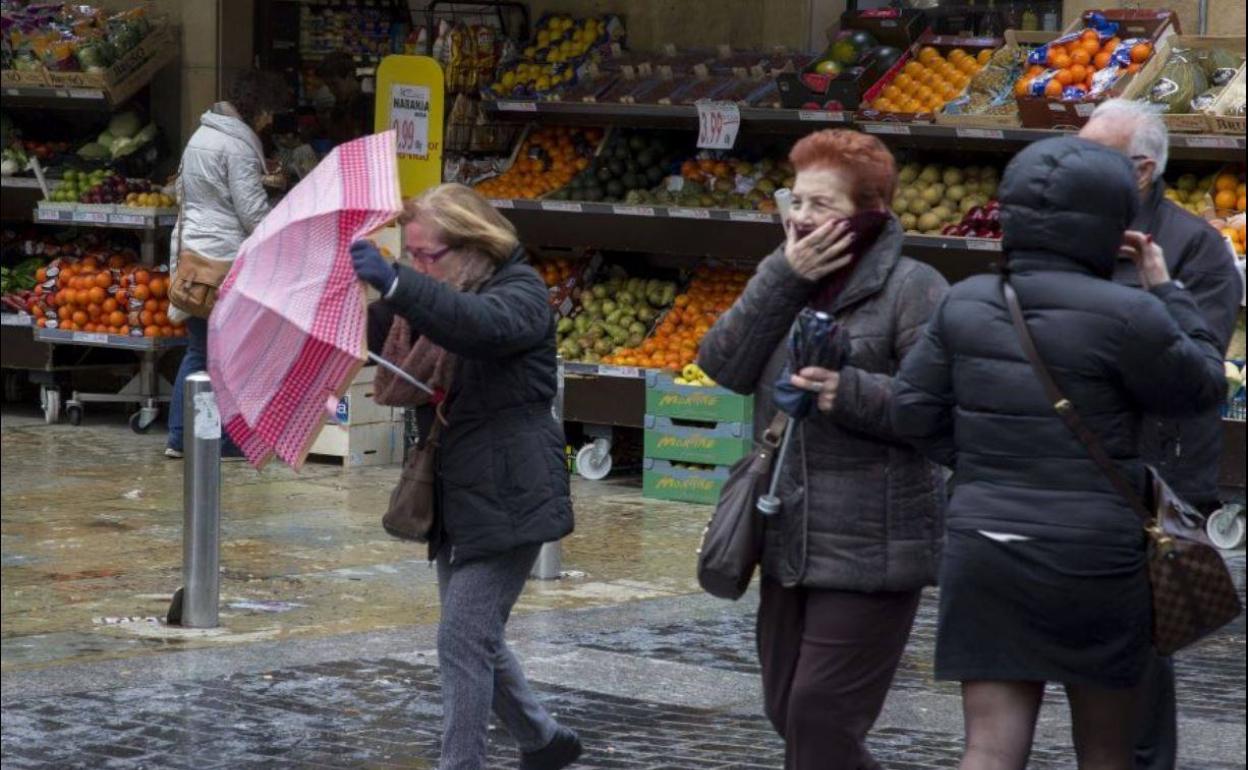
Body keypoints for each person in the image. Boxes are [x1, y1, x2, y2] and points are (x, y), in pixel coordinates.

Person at [892, 136, 1226, 770]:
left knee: (989, 747)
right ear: (1114, 224)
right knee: (1105, 749)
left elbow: (910, 409)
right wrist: (1166, 288)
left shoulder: (965, 303)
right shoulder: (1130, 313)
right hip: (1094, 553)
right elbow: (1203, 387)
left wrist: (982, 467)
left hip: (984, 543)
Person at [697, 129, 949, 770]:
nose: (801, 218)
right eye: (797, 201)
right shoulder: (784, 274)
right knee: (788, 713)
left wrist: (847, 390)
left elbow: (942, 414)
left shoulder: (914, 288)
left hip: (875, 543)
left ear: (871, 213)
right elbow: (722, 364)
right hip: (786, 533)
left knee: (818, 717)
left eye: (821, 206)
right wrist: (781, 278)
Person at [348, 184, 579, 770]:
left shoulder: (519, 292)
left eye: (428, 255)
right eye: (412, 255)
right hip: (457, 492)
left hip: (513, 493)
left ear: (473, 243)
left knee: (462, 640)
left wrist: (402, 282)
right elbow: (389, 331)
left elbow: (476, 326)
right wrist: (346, 299)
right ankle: (544, 740)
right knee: (473, 636)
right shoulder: (434, 300)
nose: (419, 265)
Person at [1079, 98, 1242, 770]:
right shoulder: (1071, 233)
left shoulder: (1194, 247)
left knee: (1140, 649)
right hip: (1076, 467)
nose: (1073, 164)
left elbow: (1191, 372)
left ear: (1142, 170)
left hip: (1156, 476)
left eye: (1093, 154)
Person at [166, 69, 289, 459]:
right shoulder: (238, 146)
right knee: (227, 354)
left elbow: (191, 195)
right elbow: (252, 214)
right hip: (223, 261)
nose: (270, 121)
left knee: (199, 350)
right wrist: (282, 210)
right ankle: (223, 440)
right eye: (269, 112)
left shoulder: (202, 135)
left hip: (194, 255)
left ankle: (179, 437)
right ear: (257, 108)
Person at [316, 52, 374, 146]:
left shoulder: (368, 106)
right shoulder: (338, 107)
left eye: (334, 84)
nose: (331, 90)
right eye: (328, 86)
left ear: (350, 76)